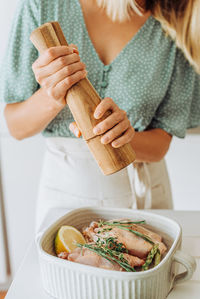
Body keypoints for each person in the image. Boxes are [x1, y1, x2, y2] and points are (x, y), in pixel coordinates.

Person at [0, 0, 200, 231]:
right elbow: (16, 126)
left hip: (146, 195)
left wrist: (126, 138)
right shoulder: (43, 6)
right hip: (65, 194)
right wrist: (52, 95)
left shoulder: (179, 19)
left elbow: (160, 145)